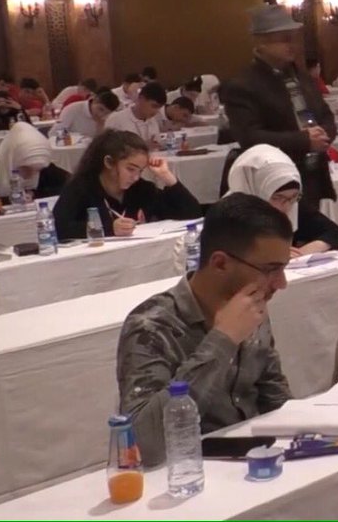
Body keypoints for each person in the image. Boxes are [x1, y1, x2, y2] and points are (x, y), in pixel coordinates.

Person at [116, 193, 293, 465]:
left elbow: (276, 400)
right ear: (220, 263)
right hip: (186, 471)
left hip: (256, 462)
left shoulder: (252, 307)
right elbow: (144, 444)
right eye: (271, 269)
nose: (282, 283)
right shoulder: (150, 326)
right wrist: (222, 340)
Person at [219, 4, 338, 209]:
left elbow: (325, 114)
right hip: (275, 181)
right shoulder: (244, 84)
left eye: (293, 38)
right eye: (284, 39)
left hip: (313, 175)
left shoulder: (302, 77)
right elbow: (249, 137)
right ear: (261, 42)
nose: (292, 45)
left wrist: (324, 135)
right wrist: (304, 140)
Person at [53, 129, 201, 238]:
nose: (136, 177)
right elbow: (58, 228)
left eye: (140, 171)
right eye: (130, 169)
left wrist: (167, 177)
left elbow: (192, 213)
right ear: (109, 162)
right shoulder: (81, 188)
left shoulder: (141, 189)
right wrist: (108, 228)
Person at [226, 145, 338, 255]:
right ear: (257, 190)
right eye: (277, 197)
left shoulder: (292, 203)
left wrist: (304, 251)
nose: (286, 207)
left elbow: (337, 234)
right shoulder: (228, 215)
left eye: (294, 196)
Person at [0, 122, 69, 203]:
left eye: (37, 170)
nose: (31, 175)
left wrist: (34, 194)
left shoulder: (46, 169)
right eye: (26, 168)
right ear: (12, 157)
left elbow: (69, 188)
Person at [104, 82, 168, 144]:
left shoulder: (153, 121)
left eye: (159, 107)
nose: (156, 111)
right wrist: (143, 147)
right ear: (141, 98)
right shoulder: (116, 119)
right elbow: (106, 147)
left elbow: (156, 145)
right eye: (154, 106)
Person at [56, 88, 120, 138]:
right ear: (94, 100)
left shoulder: (109, 118)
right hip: (70, 149)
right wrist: (77, 138)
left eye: (106, 113)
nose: (101, 114)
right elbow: (57, 132)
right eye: (100, 109)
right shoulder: (72, 109)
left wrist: (100, 127)